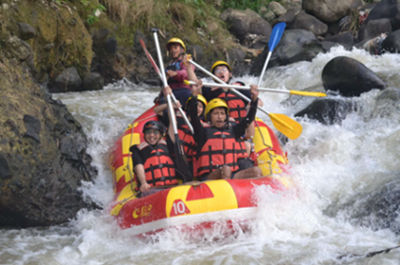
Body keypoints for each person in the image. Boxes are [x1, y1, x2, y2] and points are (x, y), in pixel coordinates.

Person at [188, 85, 263, 181]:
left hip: (231, 176)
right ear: (209, 117)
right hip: (210, 177)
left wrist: (255, 99)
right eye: (216, 113)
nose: (219, 117)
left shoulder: (234, 131)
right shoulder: (202, 133)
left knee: (256, 171)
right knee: (226, 169)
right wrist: (194, 96)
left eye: (222, 113)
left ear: (226, 117)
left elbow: (248, 119)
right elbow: (194, 117)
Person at [162, 37, 196, 105]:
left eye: (175, 48)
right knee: (162, 100)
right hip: (171, 91)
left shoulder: (186, 61)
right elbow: (165, 84)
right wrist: (160, 95)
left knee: (186, 94)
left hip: (183, 90)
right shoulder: (169, 64)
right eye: (171, 49)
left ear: (182, 50)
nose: (172, 50)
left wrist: (176, 73)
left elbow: (187, 73)